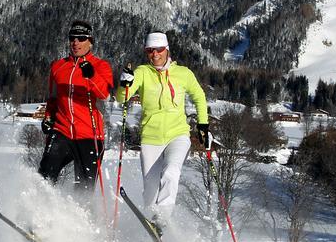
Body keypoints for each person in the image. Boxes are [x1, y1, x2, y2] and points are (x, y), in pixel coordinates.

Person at [118, 31, 209, 224]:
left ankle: (163, 217)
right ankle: (154, 225)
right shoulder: (142, 72)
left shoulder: (183, 73)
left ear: (167, 50)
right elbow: (122, 98)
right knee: (150, 190)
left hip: (178, 134)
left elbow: (199, 96)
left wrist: (203, 124)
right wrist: (124, 83)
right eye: (150, 50)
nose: (155, 54)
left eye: (159, 49)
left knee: (171, 171)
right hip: (151, 137)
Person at [38, 20, 114, 190]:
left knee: (84, 188)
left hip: (90, 134)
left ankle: (81, 215)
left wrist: (91, 76)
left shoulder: (101, 66)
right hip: (62, 130)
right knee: (44, 174)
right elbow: (53, 98)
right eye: (72, 38)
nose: (76, 42)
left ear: (90, 42)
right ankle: (37, 212)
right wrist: (48, 117)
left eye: (81, 38)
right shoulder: (58, 66)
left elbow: (105, 95)